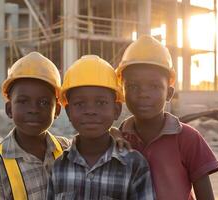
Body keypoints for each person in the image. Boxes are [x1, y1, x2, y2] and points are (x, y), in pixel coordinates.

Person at [115, 35, 218, 200]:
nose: (143, 94)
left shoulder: (188, 138)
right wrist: (113, 133)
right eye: (133, 86)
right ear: (123, 92)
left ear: (169, 93)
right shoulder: (120, 138)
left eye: (154, 86)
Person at [47, 55, 155, 200]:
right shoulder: (58, 167)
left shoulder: (134, 165)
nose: (90, 111)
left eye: (100, 103)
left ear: (116, 110)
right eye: (80, 104)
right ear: (68, 112)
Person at [0, 52, 70, 200]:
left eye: (44, 102)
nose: (33, 109)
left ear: (57, 110)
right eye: (23, 101)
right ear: (9, 109)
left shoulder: (68, 150)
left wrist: (118, 133)